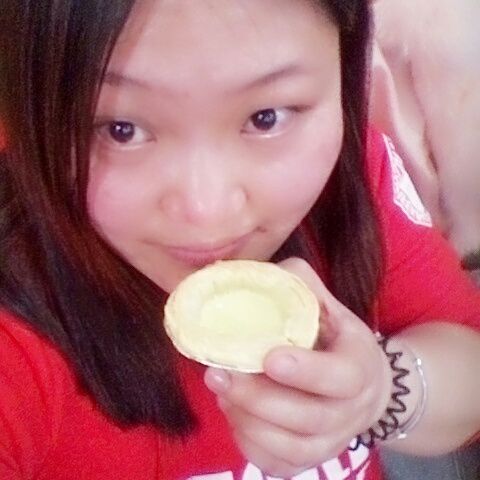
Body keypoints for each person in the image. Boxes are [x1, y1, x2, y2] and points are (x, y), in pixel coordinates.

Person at [0, 1, 479, 479]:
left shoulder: (353, 180)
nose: (206, 211)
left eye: (267, 117)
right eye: (120, 130)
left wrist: (378, 391)